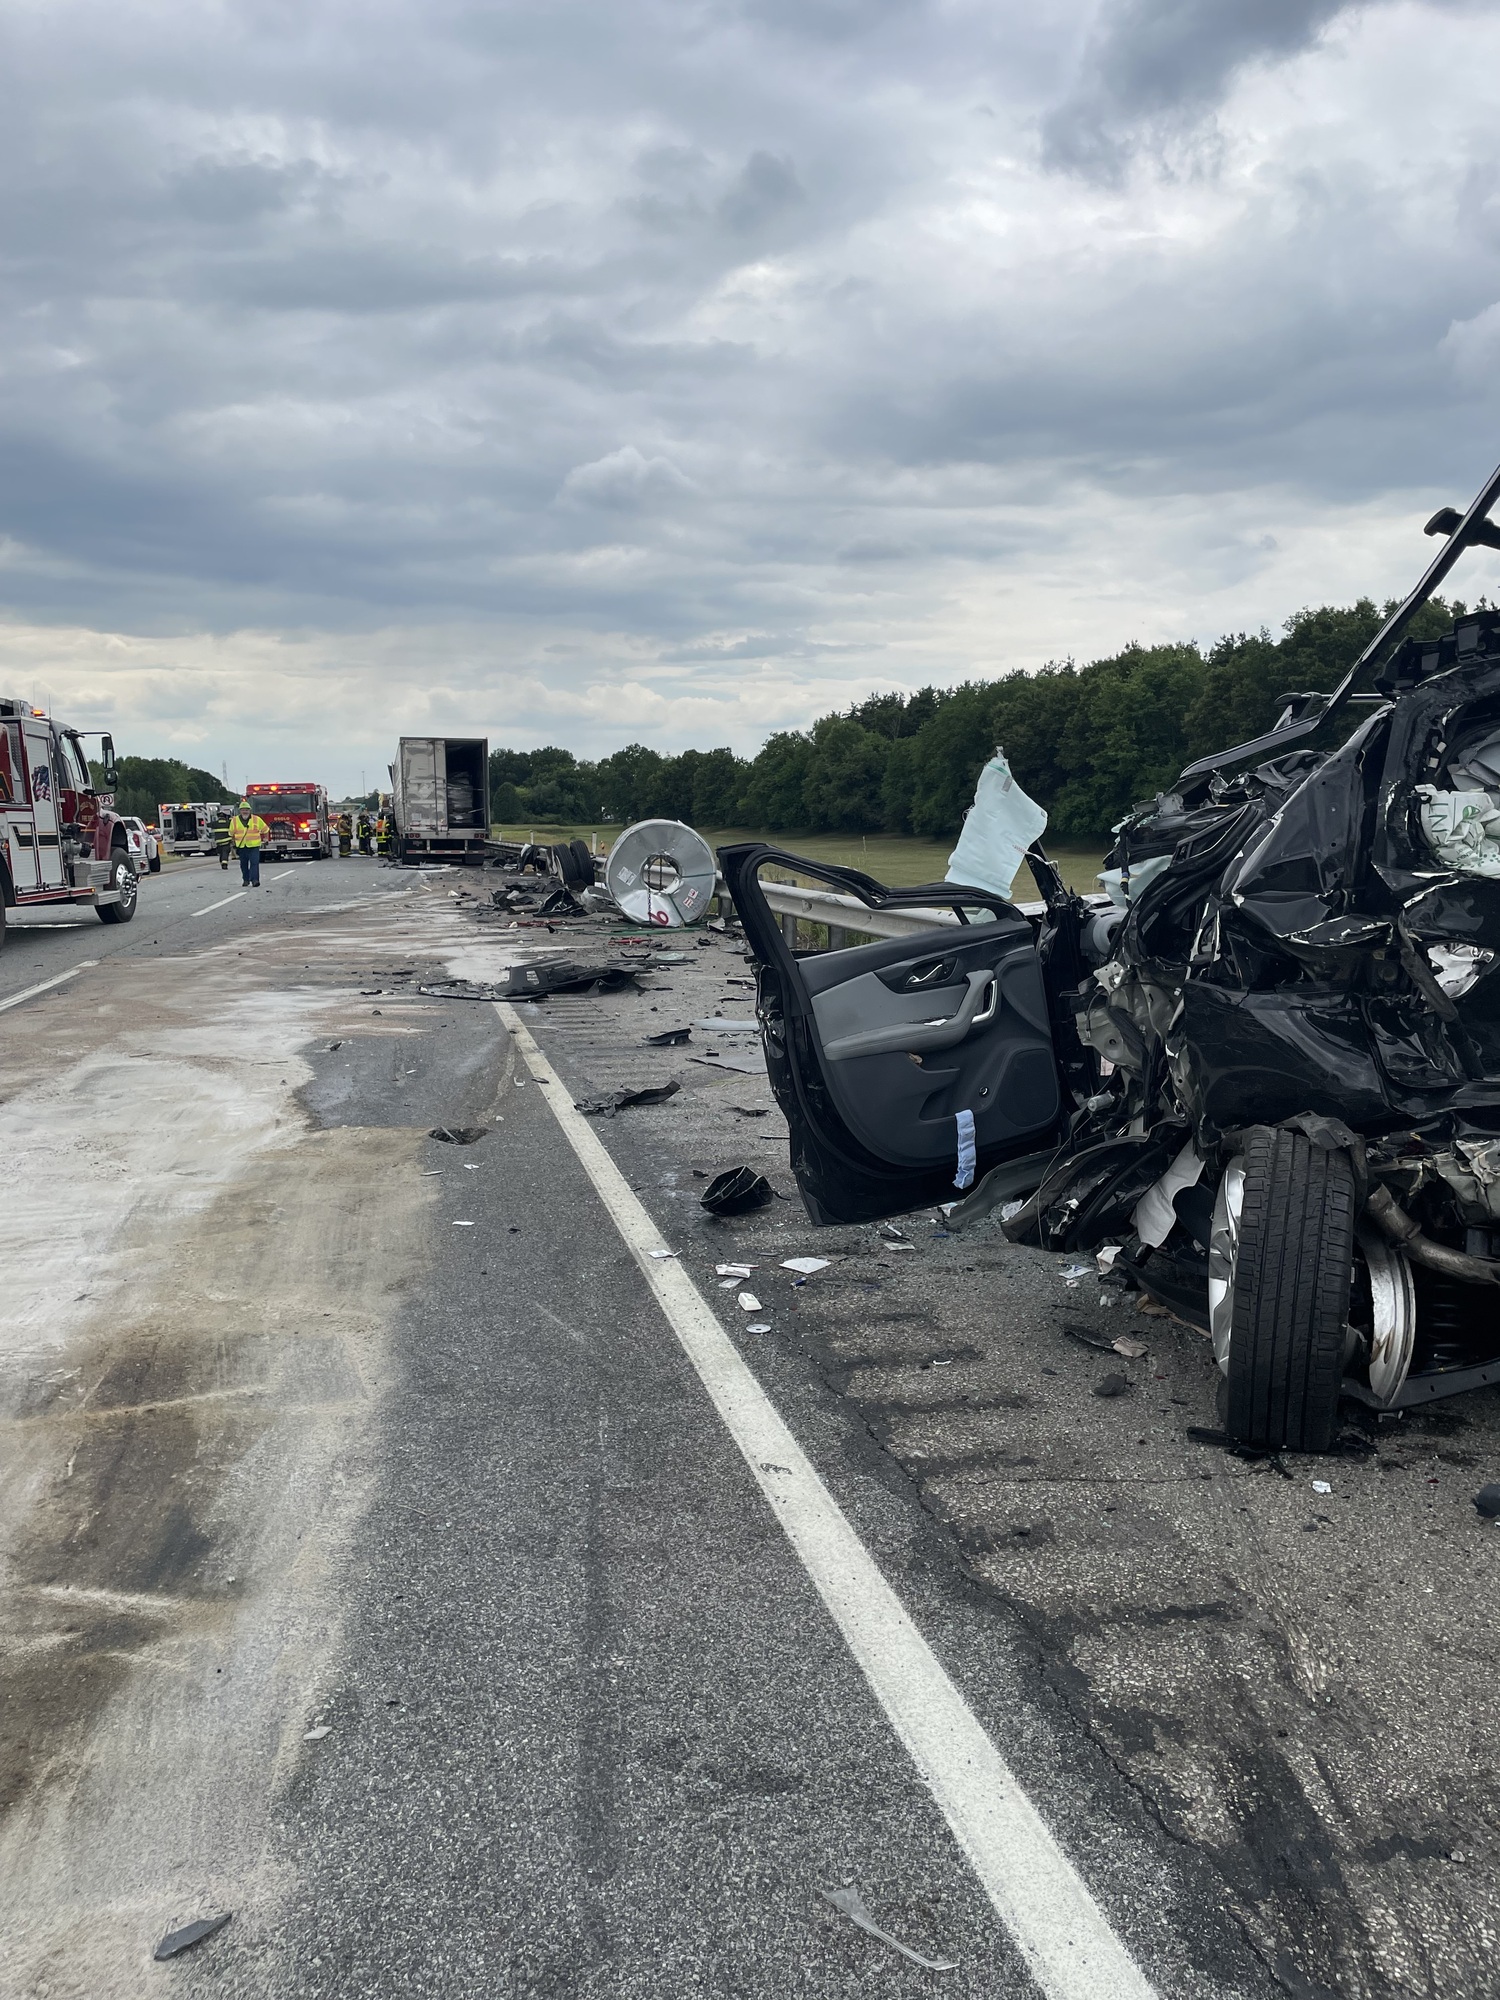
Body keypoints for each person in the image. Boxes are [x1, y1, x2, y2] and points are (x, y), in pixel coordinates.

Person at [228, 799, 270, 887]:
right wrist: (233, 843)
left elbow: (265, 829)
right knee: (243, 864)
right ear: (240, 811)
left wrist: (266, 838)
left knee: (254, 863)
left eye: (247, 809)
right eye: (243, 810)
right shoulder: (234, 821)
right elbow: (231, 833)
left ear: (249, 810)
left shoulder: (256, 819)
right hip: (241, 846)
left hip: (254, 846)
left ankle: (255, 880)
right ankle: (246, 879)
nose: (245, 811)